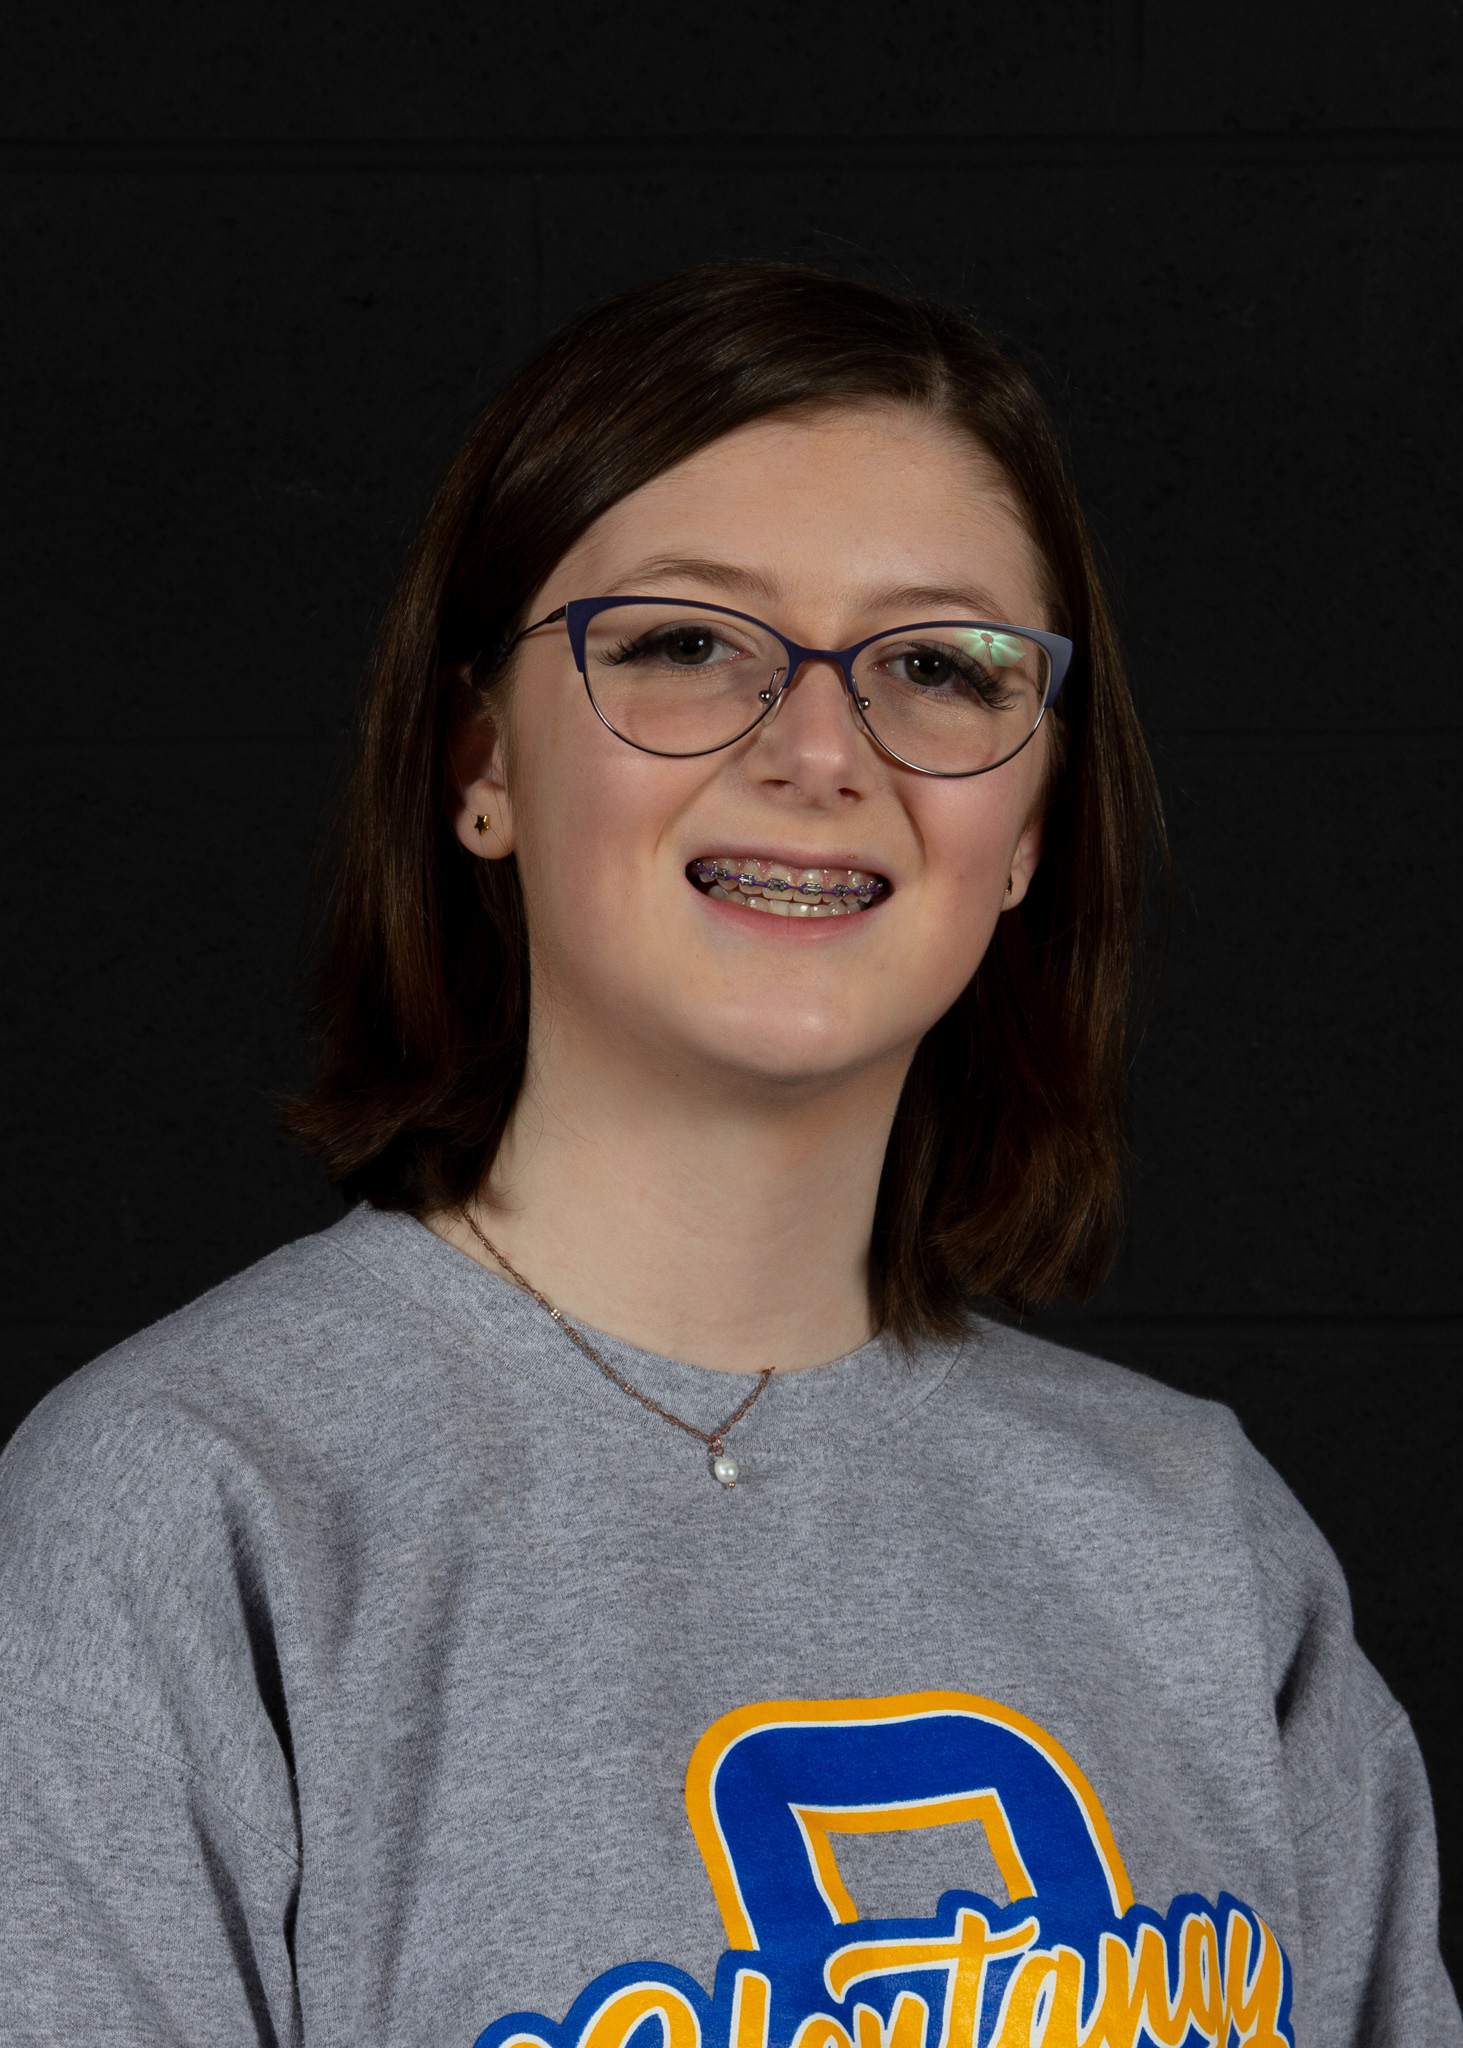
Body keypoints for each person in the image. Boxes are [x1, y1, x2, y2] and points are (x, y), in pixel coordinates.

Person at [0, 263, 1453, 2047]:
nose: (820, 752)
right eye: (685, 644)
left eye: (941, 667)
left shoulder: (1202, 1541)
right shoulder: (189, 1509)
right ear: (481, 763)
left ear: (1028, 828)